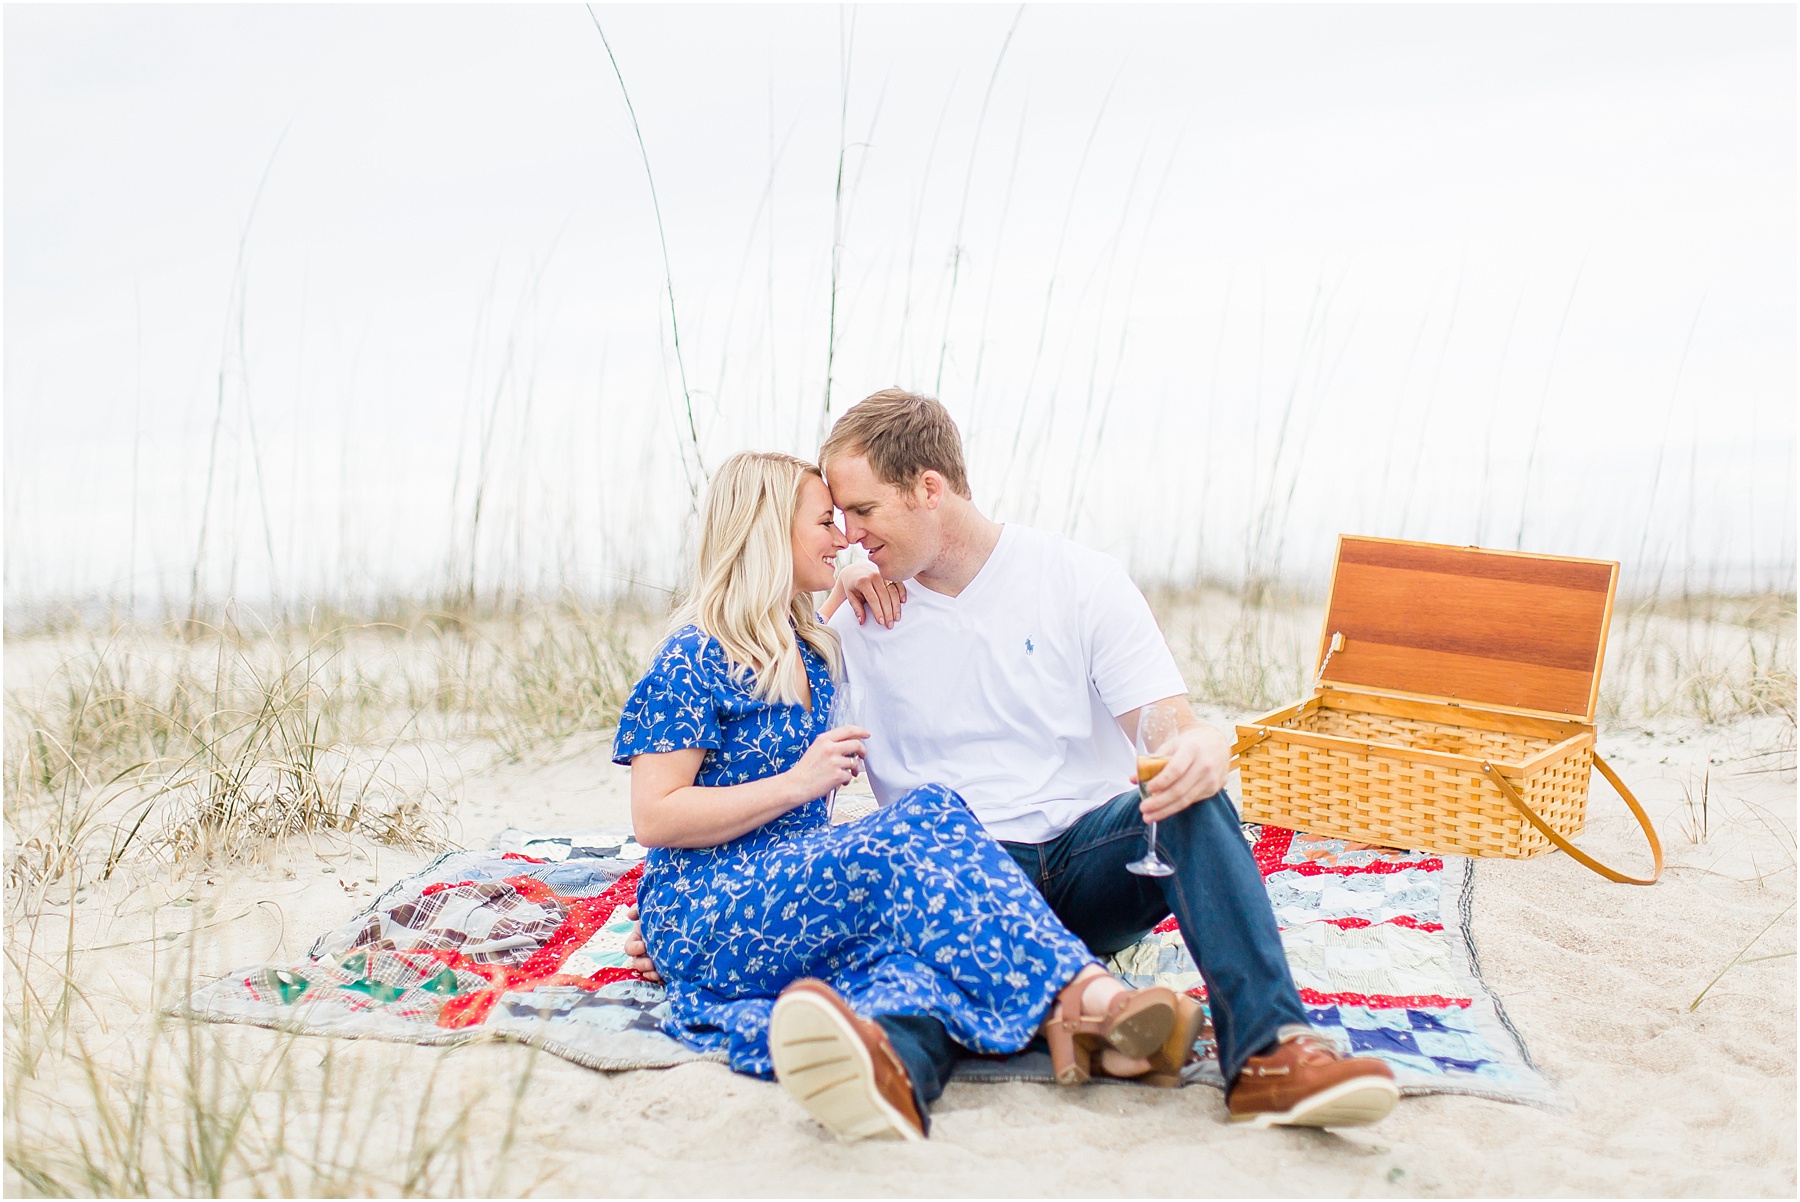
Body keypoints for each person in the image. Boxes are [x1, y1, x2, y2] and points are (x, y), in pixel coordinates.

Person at [611, 449, 1187, 1144]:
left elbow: (846, 592)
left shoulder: (810, 642)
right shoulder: (694, 657)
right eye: (826, 522)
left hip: (790, 888)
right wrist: (797, 783)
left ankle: (888, 1074)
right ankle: (1091, 1000)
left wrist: (854, 576)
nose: (843, 536)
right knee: (928, 814)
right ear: (769, 533)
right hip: (710, 899)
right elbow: (655, 815)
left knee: (917, 947)